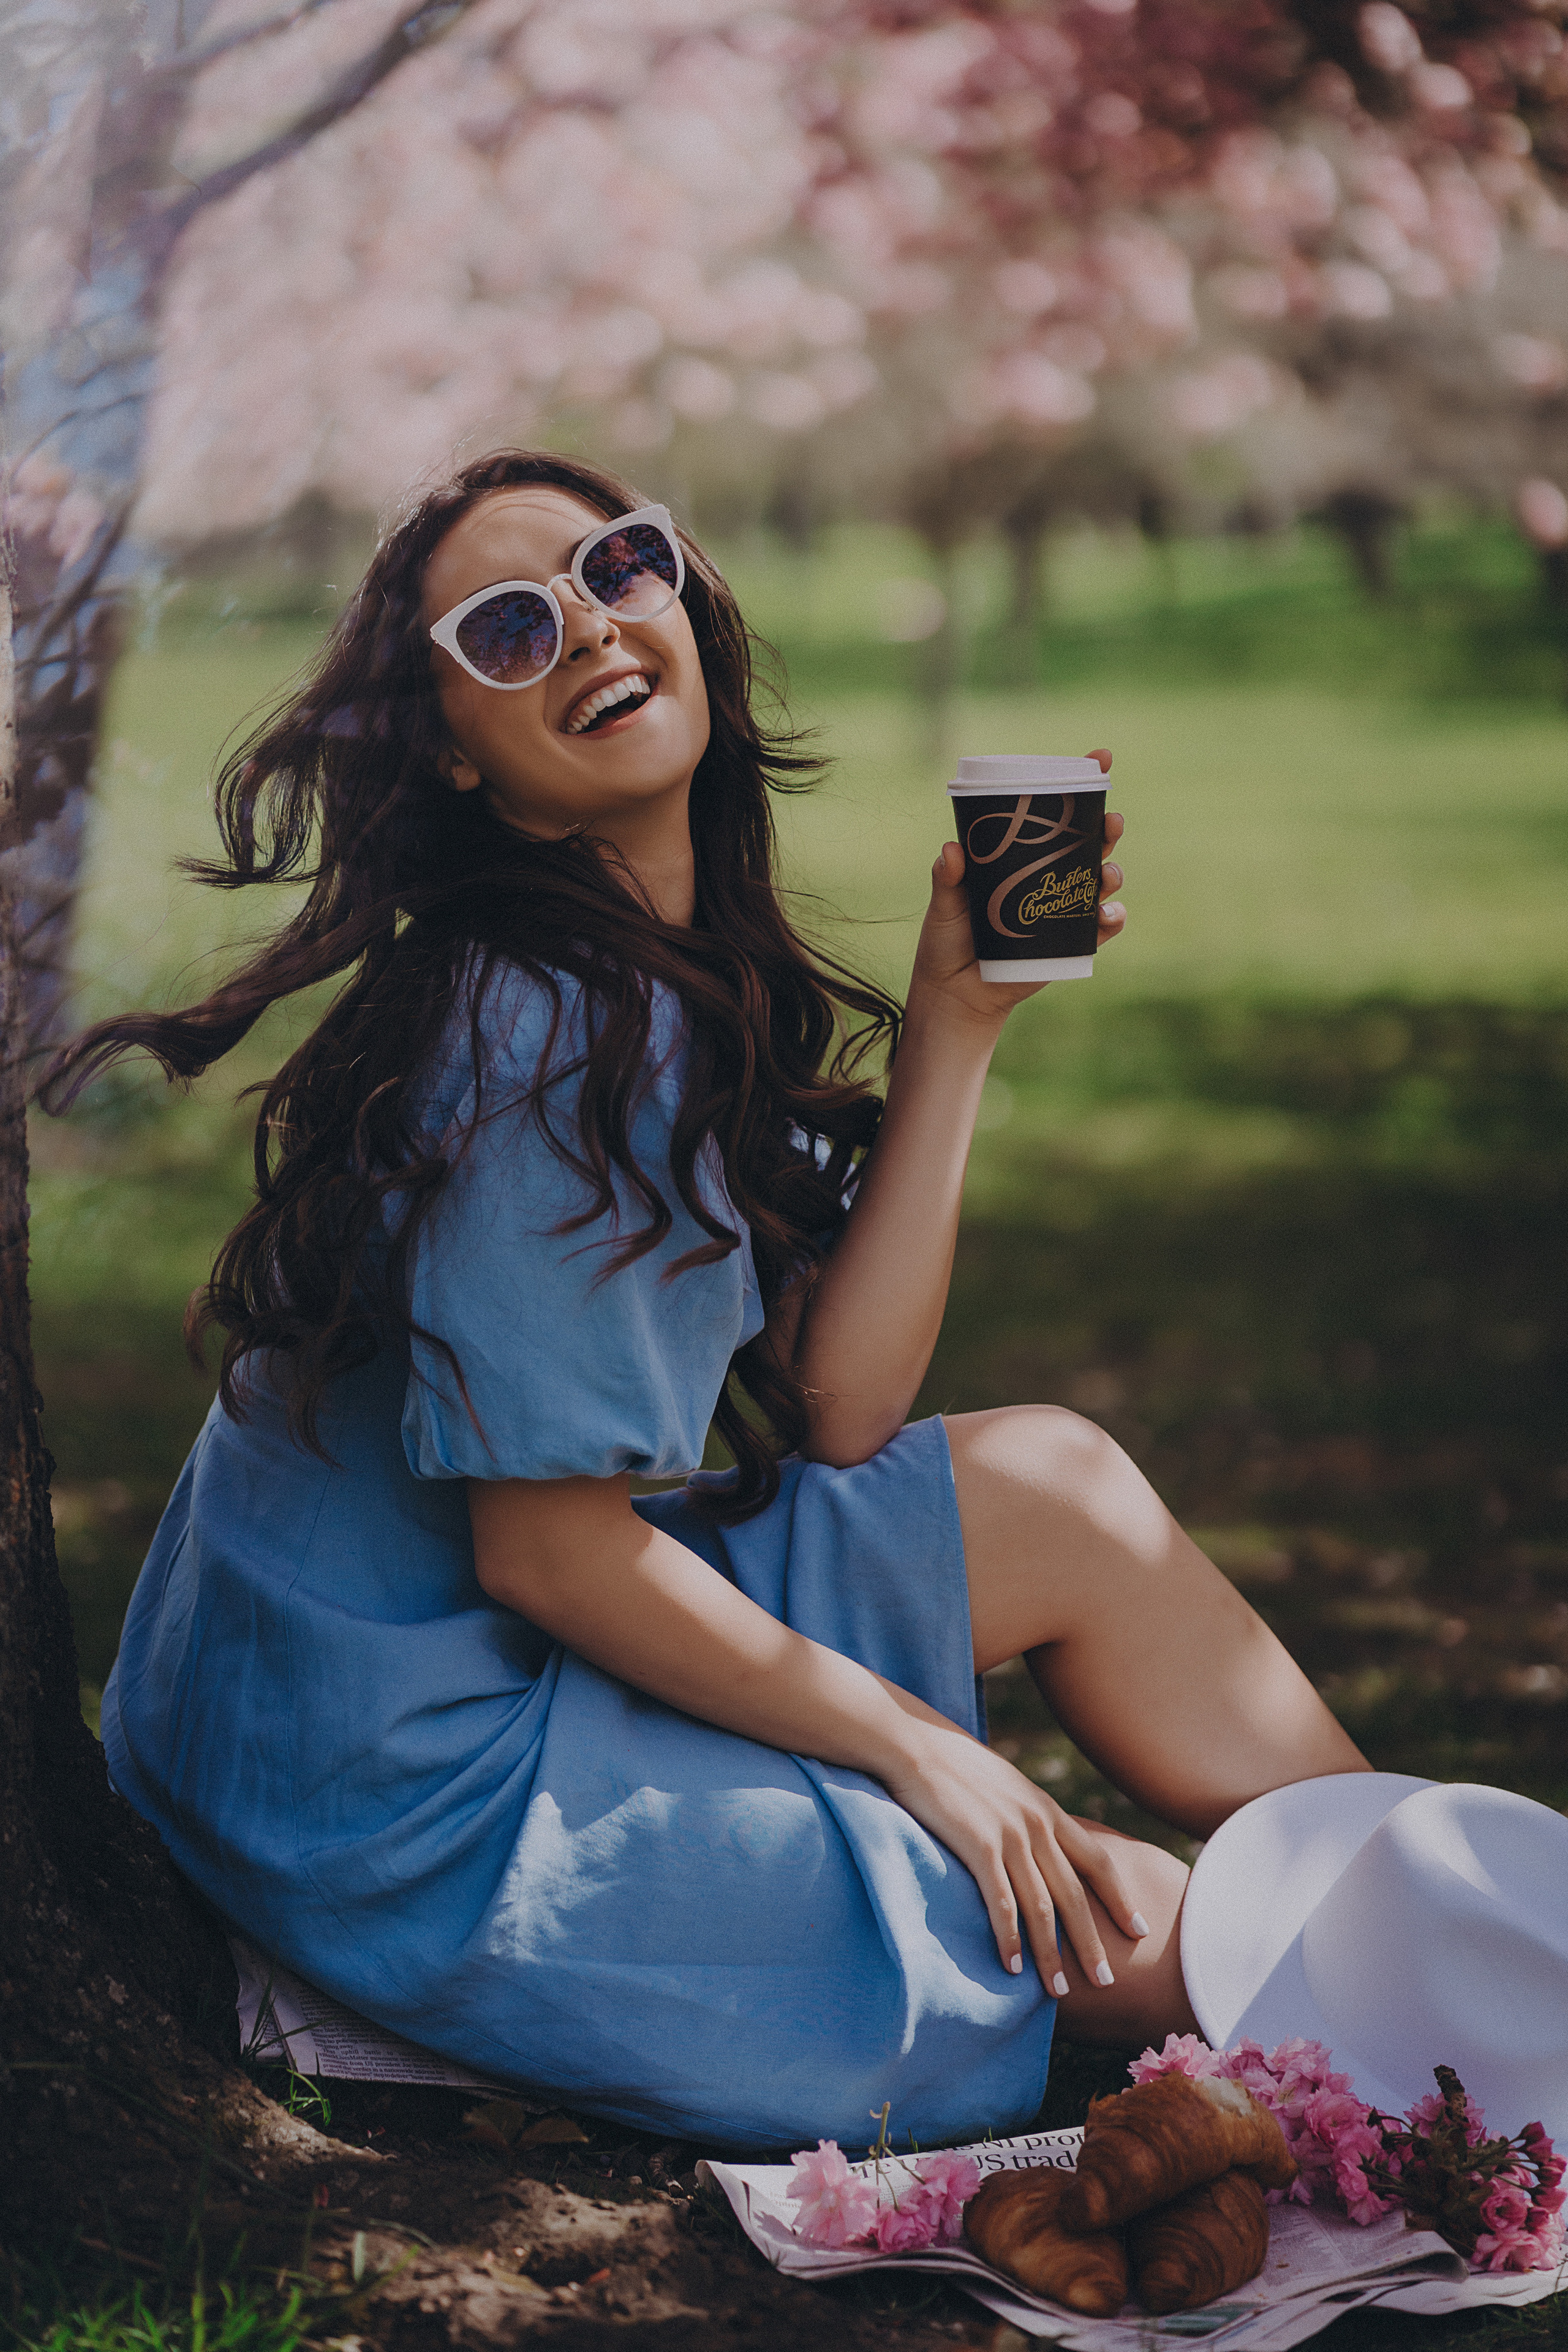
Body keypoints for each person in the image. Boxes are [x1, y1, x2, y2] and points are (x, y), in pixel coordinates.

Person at [47, 450, 1369, 2152]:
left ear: (688, 606)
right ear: (454, 752)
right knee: (1139, 1930)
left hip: (500, 1624)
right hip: (403, 1776)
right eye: (512, 627)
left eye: (619, 566)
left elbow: (841, 1410)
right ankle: (1444, 1990)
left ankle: (1443, 1898)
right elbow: (549, 1547)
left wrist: (954, 1022)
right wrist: (924, 1751)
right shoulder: (527, 1034)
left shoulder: (657, 965)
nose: (590, 623)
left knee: (1065, 1490)